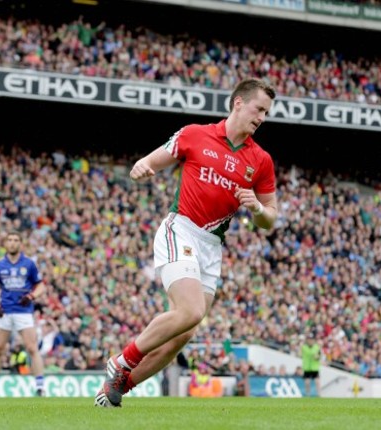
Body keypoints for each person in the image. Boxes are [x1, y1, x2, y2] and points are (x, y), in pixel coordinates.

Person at [95, 78, 278, 407]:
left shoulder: (260, 160)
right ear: (238, 103)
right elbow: (154, 160)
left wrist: (258, 208)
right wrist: (143, 166)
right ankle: (121, 361)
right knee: (190, 310)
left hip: (212, 246)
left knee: (185, 332)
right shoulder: (196, 134)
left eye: (266, 112)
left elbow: (270, 219)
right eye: (258, 108)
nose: (262, 117)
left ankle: (118, 388)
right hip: (181, 229)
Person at [0, 231, 46, 397]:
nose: (12, 243)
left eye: (16, 240)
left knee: (32, 348)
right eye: (10, 240)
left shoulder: (29, 264)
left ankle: (40, 386)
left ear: (20, 243)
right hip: (4, 311)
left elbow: (41, 286)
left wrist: (31, 296)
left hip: (23, 311)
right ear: (5, 243)